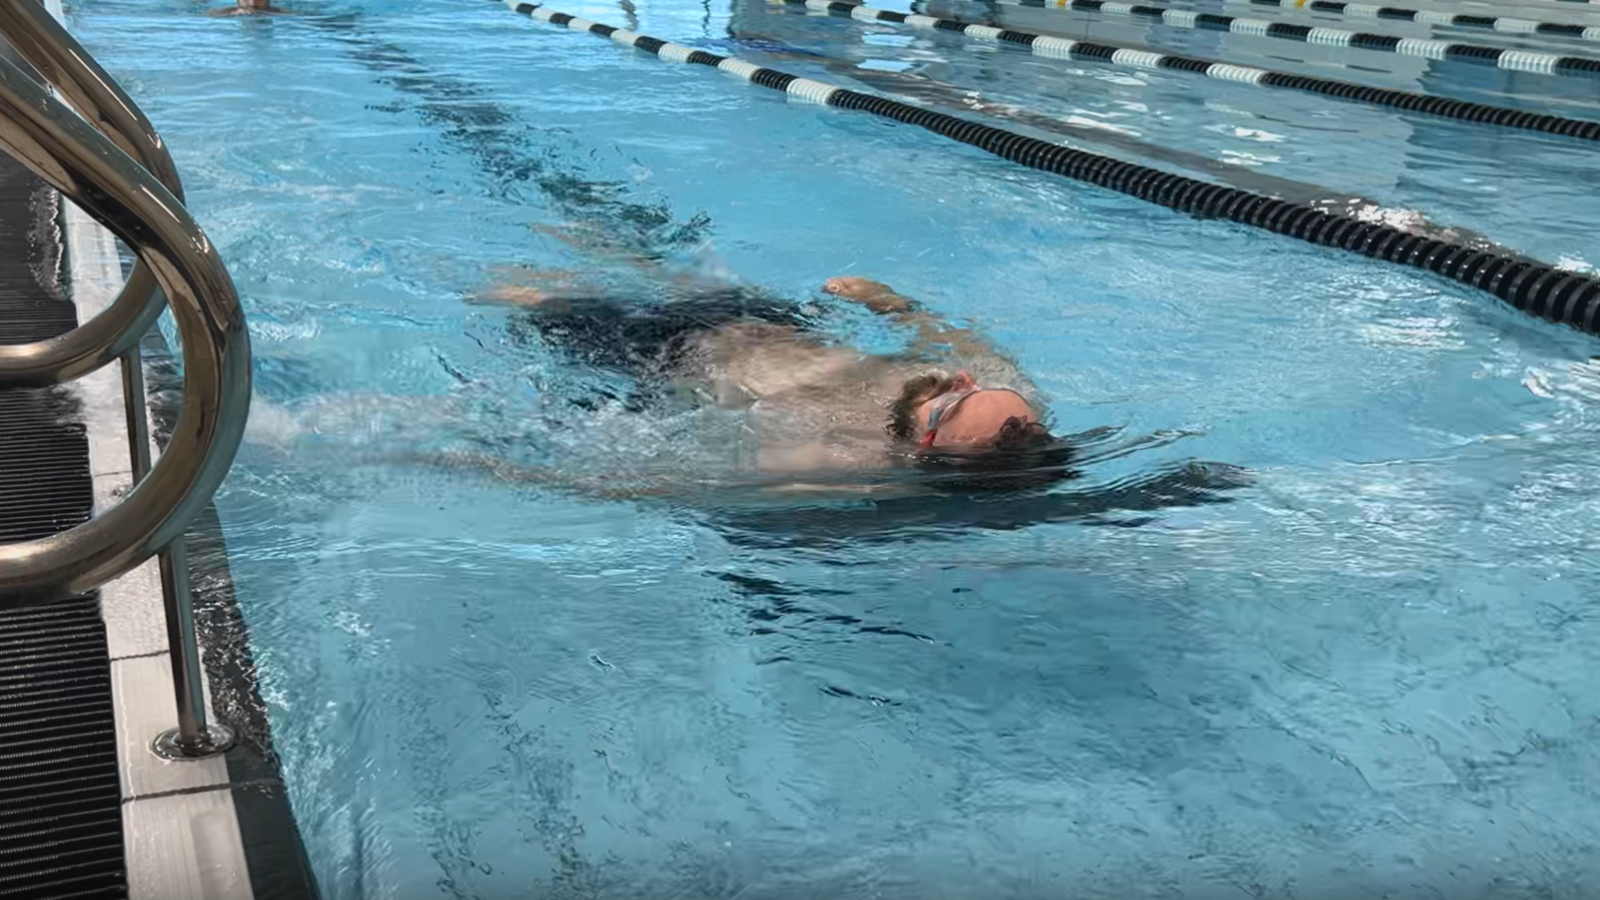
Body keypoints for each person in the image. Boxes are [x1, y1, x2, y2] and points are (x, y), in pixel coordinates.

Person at [466, 268, 1075, 493]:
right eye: (964, 386)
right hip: (772, 323)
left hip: (660, 351)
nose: (956, 379)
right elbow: (954, 341)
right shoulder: (1001, 394)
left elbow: (658, 478)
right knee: (647, 264)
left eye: (947, 405)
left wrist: (493, 462)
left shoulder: (831, 462)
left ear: (924, 449)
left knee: (517, 287)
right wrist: (887, 301)